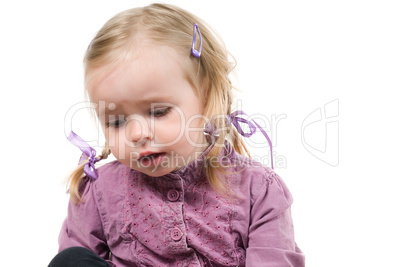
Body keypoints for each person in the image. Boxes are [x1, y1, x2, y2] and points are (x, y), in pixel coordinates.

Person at [49, 3, 305, 267]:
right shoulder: (99, 191)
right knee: (71, 260)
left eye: (158, 112)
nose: (136, 134)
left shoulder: (257, 190)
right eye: (116, 122)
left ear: (207, 99)